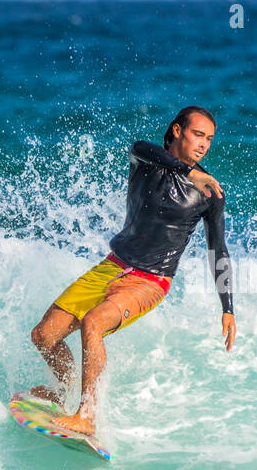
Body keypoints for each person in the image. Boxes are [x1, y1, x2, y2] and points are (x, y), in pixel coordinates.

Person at [28, 106, 236, 436]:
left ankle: (87, 415)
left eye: (209, 139)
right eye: (198, 134)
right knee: (43, 336)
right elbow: (141, 146)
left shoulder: (209, 192)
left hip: (150, 280)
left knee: (93, 323)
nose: (204, 145)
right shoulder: (145, 161)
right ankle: (64, 390)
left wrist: (227, 308)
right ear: (178, 130)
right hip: (113, 266)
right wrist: (186, 171)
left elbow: (218, 250)